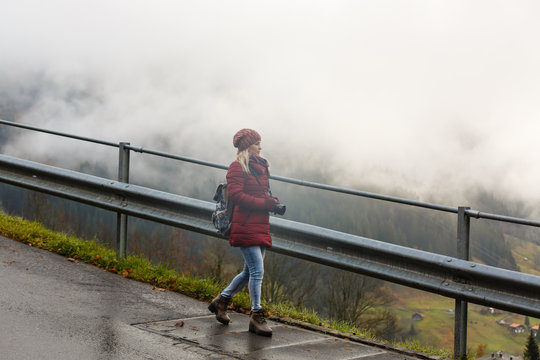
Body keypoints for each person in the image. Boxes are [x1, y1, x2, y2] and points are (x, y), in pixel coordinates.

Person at [208, 128, 282, 337]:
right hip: (244, 225)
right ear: (247, 146)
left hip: (260, 224)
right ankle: (256, 316)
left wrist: (273, 203)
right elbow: (238, 196)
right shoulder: (236, 167)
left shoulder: (261, 167)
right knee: (257, 271)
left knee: (249, 272)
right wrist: (264, 203)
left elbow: (262, 194)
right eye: (257, 143)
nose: (260, 147)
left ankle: (221, 301)